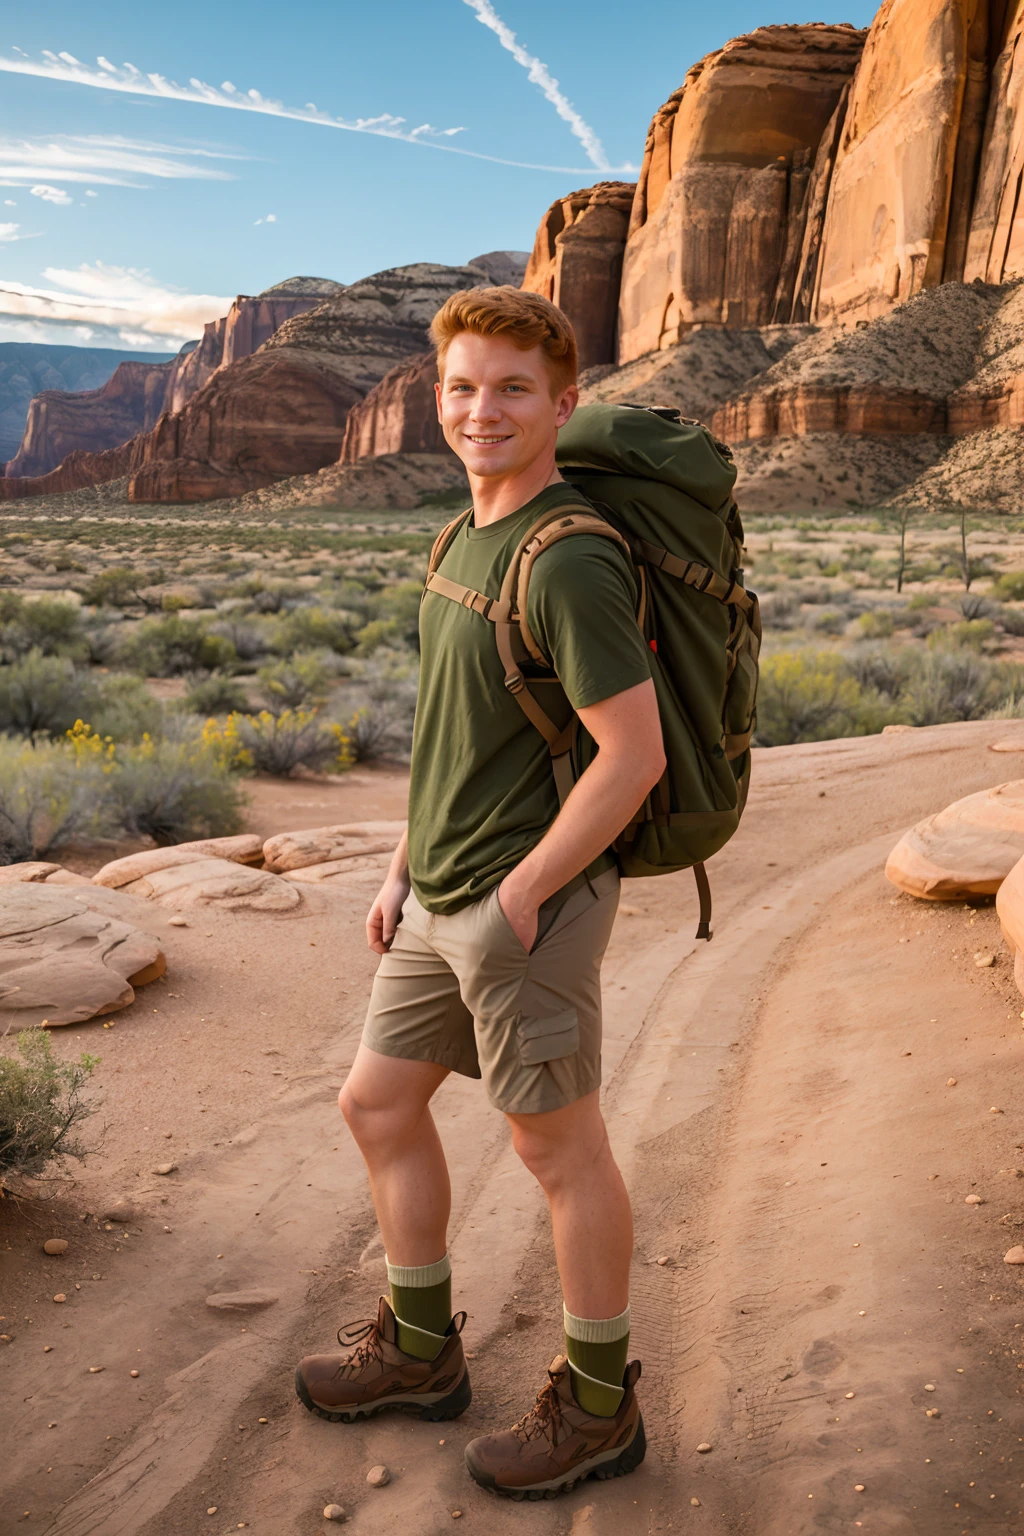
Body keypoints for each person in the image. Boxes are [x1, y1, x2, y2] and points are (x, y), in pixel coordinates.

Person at [295, 286, 666, 1499]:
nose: (481, 409)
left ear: (564, 404)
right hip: (438, 890)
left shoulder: (568, 559)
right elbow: (452, 725)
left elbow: (633, 755)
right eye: (461, 386)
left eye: (512, 388)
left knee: (557, 1150)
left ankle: (599, 1408)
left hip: (524, 904)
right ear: (434, 398)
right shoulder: (461, 537)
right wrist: (404, 863)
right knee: (377, 1105)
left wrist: (524, 891)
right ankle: (418, 1352)